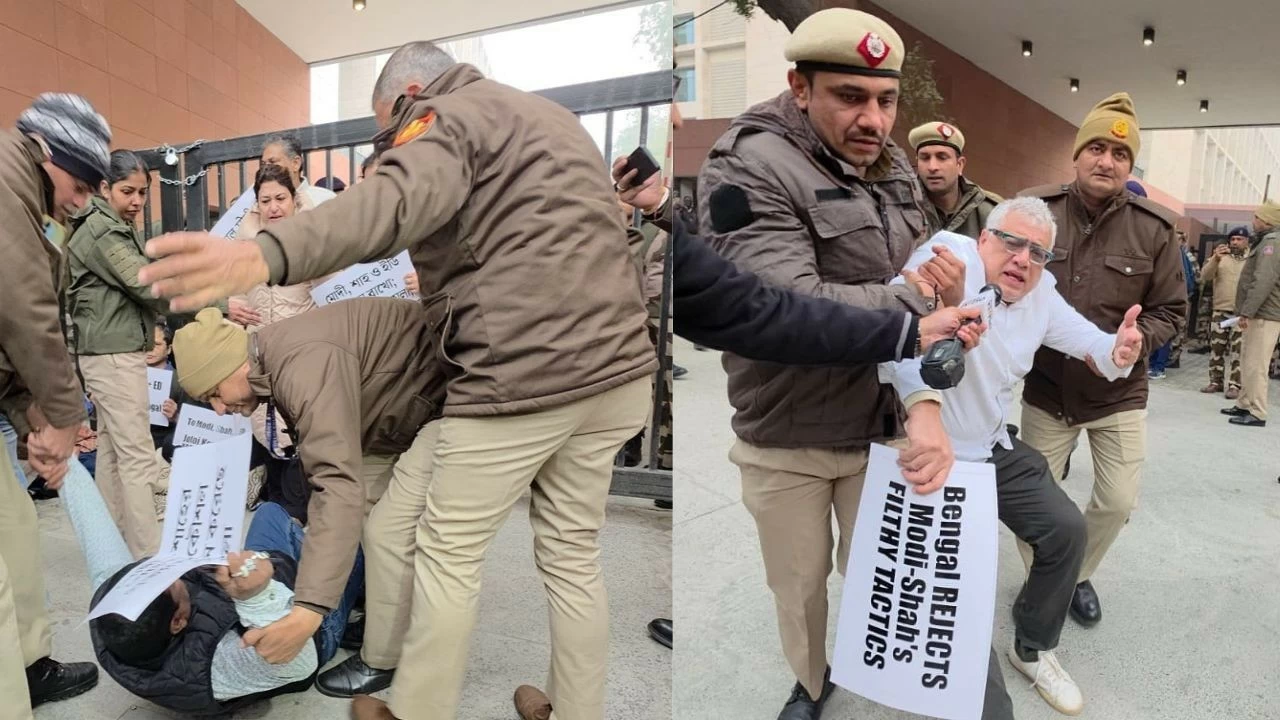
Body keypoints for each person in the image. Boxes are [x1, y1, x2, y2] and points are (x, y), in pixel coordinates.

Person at [142, 40, 661, 720]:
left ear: (410, 94)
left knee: (444, 552)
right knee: (571, 557)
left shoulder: (444, 118)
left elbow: (392, 203)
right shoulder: (549, 118)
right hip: (618, 371)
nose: (389, 148)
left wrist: (264, 254)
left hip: (520, 374)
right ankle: (575, 710)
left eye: (386, 133)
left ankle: (412, 708)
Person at [692, 10, 966, 720]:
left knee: (886, 580)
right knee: (800, 585)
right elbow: (783, 305)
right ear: (800, 87)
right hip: (790, 433)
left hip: (883, 424)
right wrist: (913, 301)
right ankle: (812, 685)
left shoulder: (895, 164)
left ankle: (885, 676)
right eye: (850, 96)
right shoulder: (747, 163)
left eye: (885, 99)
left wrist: (946, 286)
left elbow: (923, 264)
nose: (873, 118)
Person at [884, 199, 1144, 716]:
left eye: (1039, 252)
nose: (1023, 259)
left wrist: (1118, 352)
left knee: (1066, 530)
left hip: (991, 446)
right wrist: (944, 298)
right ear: (984, 238)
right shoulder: (948, 257)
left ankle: (1031, 645)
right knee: (959, 591)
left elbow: (1089, 343)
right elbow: (893, 345)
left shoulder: (1040, 293)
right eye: (1011, 242)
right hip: (928, 454)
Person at [171, 300, 445, 700]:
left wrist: (307, 613)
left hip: (448, 401)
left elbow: (337, 484)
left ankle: (385, 658)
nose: (219, 409)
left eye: (214, 393)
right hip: (392, 414)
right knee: (350, 522)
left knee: (388, 530)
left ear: (235, 365)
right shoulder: (276, 359)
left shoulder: (300, 368)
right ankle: (387, 615)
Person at [1016, 92, 1186, 628]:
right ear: (1077, 153)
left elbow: (1173, 311)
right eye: (1094, 148)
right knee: (1029, 505)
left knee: (1116, 501)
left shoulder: (1155, 228)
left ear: (1129, 166)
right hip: (1046, 387)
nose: (1105, 161)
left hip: (1118, 391)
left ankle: (1074, 574)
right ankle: (1047, 577)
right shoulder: (1033, 212)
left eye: (1119, 155)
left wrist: (1138, 344)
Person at [65, 150, 248, 556]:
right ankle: (148, 560)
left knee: (115, 452)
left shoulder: (111, 225)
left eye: (142, 193)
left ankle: (110, 549)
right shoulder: (102, 230)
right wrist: (217, 305)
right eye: (127, 191)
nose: (137, 201)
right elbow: (148, 284)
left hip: (113, 351)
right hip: (111, 355)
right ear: (104, 188)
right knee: (135, 457)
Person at [61, 459, 333, 714]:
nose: (168, 568)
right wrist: (257, 597)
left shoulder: (115, 605)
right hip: (308, 623)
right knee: (343, 547)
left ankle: (299, 542)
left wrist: (63, 463)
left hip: (261, 578)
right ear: (178, 621)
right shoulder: (213, 665)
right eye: (171, 579)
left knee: (271, 511)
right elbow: (301, 664)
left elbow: (93, 526)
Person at [0, 92, 108, 717]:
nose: (82, 198)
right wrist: (66, 419)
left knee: (15, 528)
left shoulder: (27, 192)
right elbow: (26, 313)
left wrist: (32, 417)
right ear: (46, 152)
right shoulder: (5, 175)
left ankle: (28, 665)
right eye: (80, 180)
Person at [1221, 200, 1280, 427]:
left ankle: (1257, 412)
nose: (1253, 221)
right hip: (1257, 313)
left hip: (1265, 314)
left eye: (1257, 216)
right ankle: (1244, 404)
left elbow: (1263, 281)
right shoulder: (1265, 240)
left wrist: (1246, 312)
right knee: (1247, 361)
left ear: (1267, 219)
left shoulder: (1272, 243)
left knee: (1257, 364)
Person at [908, 121, 1001, 238]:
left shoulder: (990, 211)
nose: (932, 167)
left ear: (960, 164)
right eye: (925, 158)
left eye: (942, 157)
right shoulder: (900, 204)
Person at [235, 132, 336, 240]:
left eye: (272, 162)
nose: (273, 208)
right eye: (263, 164)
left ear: (296, 163)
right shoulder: (252, 209)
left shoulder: (326, 200)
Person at [1199, 227, 1250, 398]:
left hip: (1240, 314)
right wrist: (1215, 259)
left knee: (1238, 351)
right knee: (1216, 349)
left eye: (1239, 239)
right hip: (1220, 310)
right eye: (1233, 239)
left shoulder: (1252, 259)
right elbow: (1204, 276)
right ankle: (1215, 382)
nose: (1235, 242)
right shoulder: (1220, 258)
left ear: (1247, 241)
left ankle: (1235, 385)